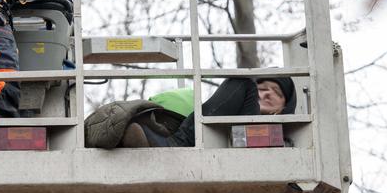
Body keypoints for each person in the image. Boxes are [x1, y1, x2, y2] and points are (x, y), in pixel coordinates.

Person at [127, 77, 297, 147]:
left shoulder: (290, 136)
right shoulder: (235, 110)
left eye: (277, 92)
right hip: (215, 145)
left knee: (243, 81)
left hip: (242, 155)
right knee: (242, 80)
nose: (267, 93)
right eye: (261, 88)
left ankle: (176, 143)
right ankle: (139, 133)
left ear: (285, 106)